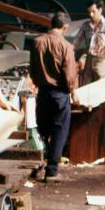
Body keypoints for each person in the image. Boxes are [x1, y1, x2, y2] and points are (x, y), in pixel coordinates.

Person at [29, 12, 79, 182]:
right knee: (59, 130)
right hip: (60, 94)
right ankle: (52, 170)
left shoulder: (37, 42)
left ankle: (39, 163)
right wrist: (73, 91)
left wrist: (37, 83)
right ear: (65, 27)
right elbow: (70, 73)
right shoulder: (66, 46)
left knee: (43, 128)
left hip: (42, 92)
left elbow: (33, 69)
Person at [73, 0, 105, 86]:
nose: (91, 14)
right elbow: (76, 41)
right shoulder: (86, 25)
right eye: (89, 12)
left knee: (100, 87)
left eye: (93, 12)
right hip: (89, 59)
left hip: (102, 61)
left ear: (100, 10)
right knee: (86, 86)